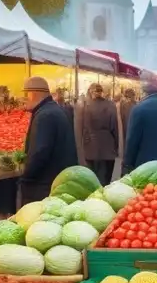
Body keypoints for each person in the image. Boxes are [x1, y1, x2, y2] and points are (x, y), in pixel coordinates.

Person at [20, 77, 78, 205]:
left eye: (25, 94)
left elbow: (39, 152)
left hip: (43, 186)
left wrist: (25, 175)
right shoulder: (54, 110)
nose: (22, 98)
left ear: (33, 94)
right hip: (56, 180)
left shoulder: (44, 116)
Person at [80, 83, 118, 186]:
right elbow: (114, 127)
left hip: (90, 147)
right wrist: (116, 146)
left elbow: (83, 127)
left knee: (93, 179)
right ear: (102, 92)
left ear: (91, 92)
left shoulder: (85, 106)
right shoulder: (110, 105)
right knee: (106, 179)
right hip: (107, 146)